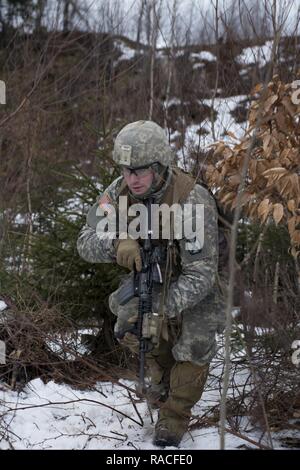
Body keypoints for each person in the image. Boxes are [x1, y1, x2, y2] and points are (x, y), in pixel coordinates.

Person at [77, 120, 225, 447]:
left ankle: (174, 415)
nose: (132, 179)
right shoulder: (118, 192)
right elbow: (84, 241)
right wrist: (117, 243)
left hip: (199, 286)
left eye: (140, 171)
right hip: (152, 281)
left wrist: (162, 313)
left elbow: (201, 275)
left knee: (193, 345)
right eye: (127, 170)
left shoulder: (192, 201)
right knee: (133, 323)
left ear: (159, 166)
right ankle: (160, 389)